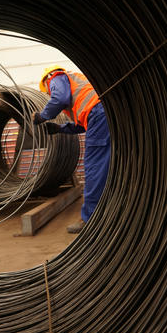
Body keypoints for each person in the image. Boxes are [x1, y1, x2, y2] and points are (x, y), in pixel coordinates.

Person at [33, 66, 110, 233]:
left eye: (48, 92)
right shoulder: (79, 88)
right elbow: (81, 125)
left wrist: (42, 116)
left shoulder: (56, 77)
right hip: (102, 115)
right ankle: (107, 212)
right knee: (105, 168)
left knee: (93, 168)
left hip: (98, 115)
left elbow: (59, 98)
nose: (50, 93)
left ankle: (90, 220)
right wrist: (59, 128)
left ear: (47, 81)